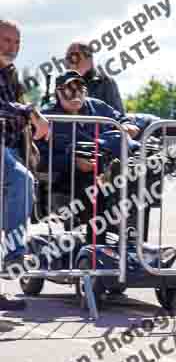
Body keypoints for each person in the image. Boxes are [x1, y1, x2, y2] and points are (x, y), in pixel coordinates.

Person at [38, 70, 139, 247]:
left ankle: (128, 251)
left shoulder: (98, 107)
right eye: (69, 89)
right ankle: (95, 251)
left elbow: (124, 121)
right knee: (96, 190)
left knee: (132, 184)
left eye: (80, 87)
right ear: (58, 92)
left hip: (108, 170)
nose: (76, 93)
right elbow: (38, 158)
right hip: (69, 176)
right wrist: (73, 161)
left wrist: (127, 126)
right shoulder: (46, 117)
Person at [0, 19, 49, 310]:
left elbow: (15, 113)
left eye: (17, 42)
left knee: (22, 185)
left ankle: (12, 255)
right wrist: (31, 112)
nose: (13, 47)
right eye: (6, 40)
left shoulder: (11, 74)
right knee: (21, 180)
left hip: (8, 149)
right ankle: (14, 255)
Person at [65, 41, 125, 115]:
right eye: (67, 58)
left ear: (89, 59)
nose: (70, 62)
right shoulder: (65, 84)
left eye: (74, 57)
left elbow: (118, 115)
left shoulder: (105, 82)